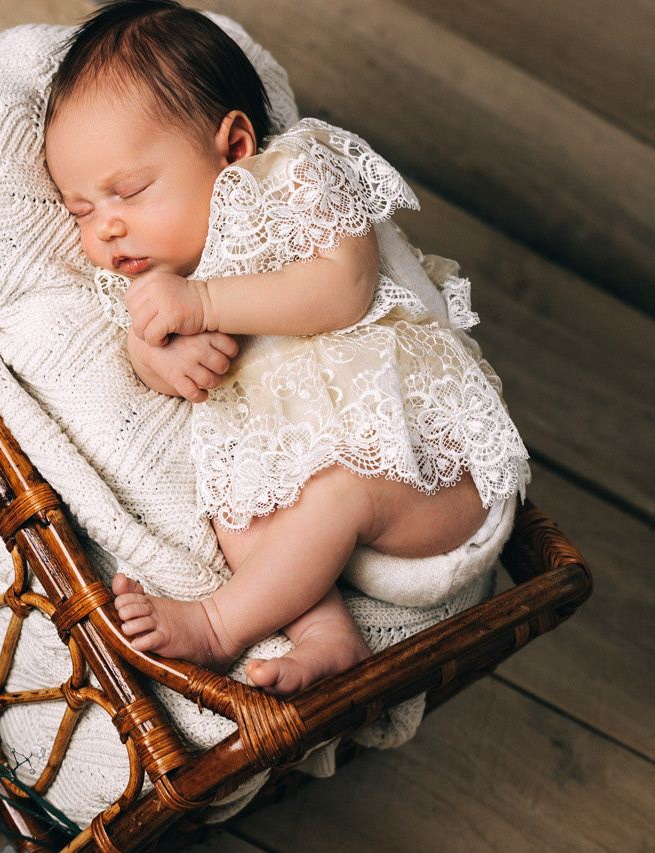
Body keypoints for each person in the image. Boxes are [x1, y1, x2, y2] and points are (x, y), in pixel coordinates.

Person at [43, 0, 529, 695]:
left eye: (129, 191)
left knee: (335, 493)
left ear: (233, 147)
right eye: (82, 211)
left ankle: (220, 624)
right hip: (313, 521)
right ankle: (323, 633)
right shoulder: (157, 277)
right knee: (234, 508)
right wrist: (162, 357)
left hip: (437, 480)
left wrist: (206, 303)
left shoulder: (292, 176)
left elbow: (345, 287)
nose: (108, 229)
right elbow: (146, 348)